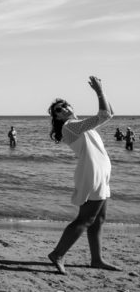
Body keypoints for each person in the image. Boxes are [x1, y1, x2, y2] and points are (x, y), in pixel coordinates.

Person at [46, 76, 119, 275]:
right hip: (91, 173)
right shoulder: (69, 126)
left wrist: (103, 91)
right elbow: (104, 115)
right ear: (58, 117)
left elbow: (109, 114)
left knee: (99, 219)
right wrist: (99, 91)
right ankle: (58, 254)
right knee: (85, 219)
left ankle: (96, 259)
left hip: (101, 173)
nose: (63, 109)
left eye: (64, 105)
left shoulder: (79, 124)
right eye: (58, 110)